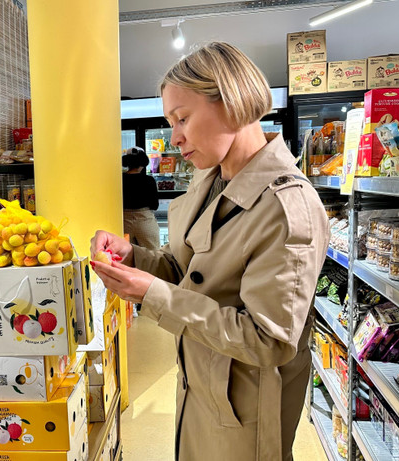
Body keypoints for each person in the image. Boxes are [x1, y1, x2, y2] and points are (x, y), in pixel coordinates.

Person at [90, 42, 329, 461]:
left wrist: (153, 295)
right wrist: (134, 257)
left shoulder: (287, 207)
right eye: (171, 122)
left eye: (182, 118)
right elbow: (188, 268)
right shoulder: (210, 180)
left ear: (232, 104)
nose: (175, 137)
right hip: (201, 385)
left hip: (246, 410)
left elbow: (269, 340)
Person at [122, 146, 160, 250]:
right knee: (152, 255)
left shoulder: (120, 179)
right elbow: (155, 205)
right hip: (145, 220)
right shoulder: (149, 180)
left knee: (127, 254)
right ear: (143, 162)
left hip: (124, 221)